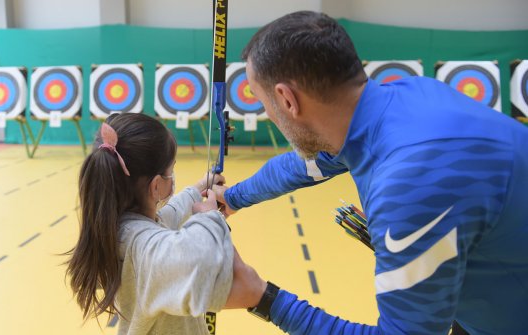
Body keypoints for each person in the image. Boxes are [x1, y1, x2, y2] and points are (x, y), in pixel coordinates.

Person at [214, 11, 528, 335]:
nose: (267, 113)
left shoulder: (410, 184)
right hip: (484, 301)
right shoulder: (408, 95)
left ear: (286, 99)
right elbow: (304, 166)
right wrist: (232, 198)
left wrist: (262, 298)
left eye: (263, 102)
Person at [65, 113, 233, 335]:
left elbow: (170, 214)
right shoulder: (145, 247)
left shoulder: (124, 226)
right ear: (156, 186)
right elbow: (202, 263)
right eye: (170, 170)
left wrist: (201, 186)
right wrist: (211, 218)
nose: (172, 176)